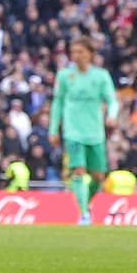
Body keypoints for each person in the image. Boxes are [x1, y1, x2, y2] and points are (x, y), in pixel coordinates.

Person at [49, 36, 119, 225]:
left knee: (98, 176)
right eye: (74, 52)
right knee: (78, 171)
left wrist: (112, 115)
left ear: (91, 54)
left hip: (95, 132)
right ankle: (84, 214)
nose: (76, 56)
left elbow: (112, 100)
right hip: (73, 132)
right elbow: (57, 103)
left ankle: (85, 204)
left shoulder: (101, 76)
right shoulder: (65, 76)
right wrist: (53, 129)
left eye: (81, 52)